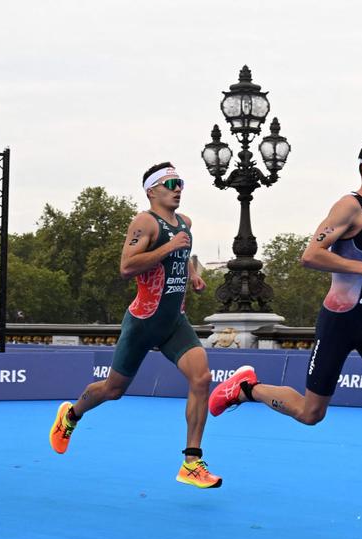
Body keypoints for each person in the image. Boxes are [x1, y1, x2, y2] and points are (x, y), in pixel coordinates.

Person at [208, 140, 362, 530]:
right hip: (340, 322)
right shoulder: (348, 207)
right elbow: (311, 254)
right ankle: (247, 389)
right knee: (312, 413)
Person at [48, 163, 236, 488]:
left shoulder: (185, 224)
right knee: (113, 390)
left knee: (202, 379)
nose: (179, 188)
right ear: (152, 190)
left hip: (174, 321)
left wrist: (192, 275)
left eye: (181, 183)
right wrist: (168, 247)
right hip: (143, 322)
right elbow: (126, 266)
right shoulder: (144, 222)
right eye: (171, 183)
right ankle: (71, 414)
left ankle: (191, 462)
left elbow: (183, 253)